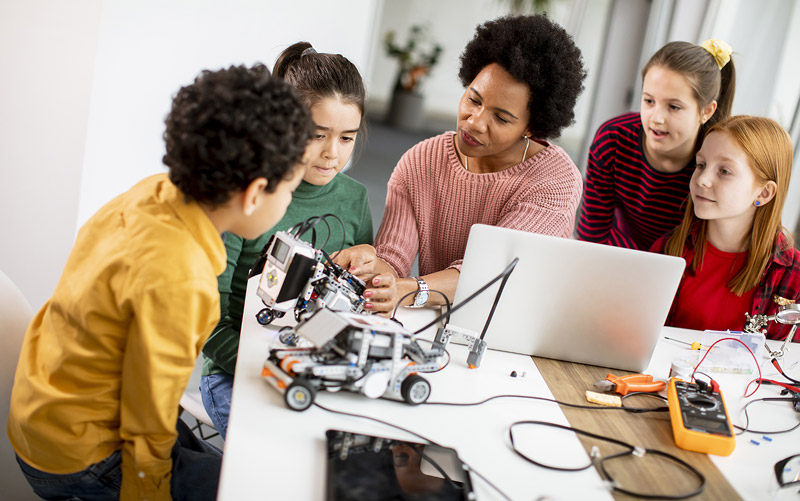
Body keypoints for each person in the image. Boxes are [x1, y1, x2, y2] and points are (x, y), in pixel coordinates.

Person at [7, 64, 313, 500]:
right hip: (84, 458)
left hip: (50, 413)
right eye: (290, 189)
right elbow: (147, 414)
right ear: (253, 193)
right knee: (254, 487)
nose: (289, 201)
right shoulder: (181, 278)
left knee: (226, 464)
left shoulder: (150, 192)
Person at [337, 14, 586, 313]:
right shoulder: (422, 161)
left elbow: (492, 273)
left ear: (532, 128)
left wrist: (412, 289)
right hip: (440, 320)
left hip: (512, 323)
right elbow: (392, 261)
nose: (476, 122)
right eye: (474, 99)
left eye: (501, 118)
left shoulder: (555, 181)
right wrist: (369, 264)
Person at [200, 42, 372, 439]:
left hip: (318, 367)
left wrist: (370, 266)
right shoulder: (246, 200)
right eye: (317, 135)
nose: (332, 153)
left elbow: (354, 307)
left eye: (347, 138)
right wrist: (278, 363)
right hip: (235, 370)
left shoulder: (355, 199)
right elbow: (207, 327)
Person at [576, 39, 736, 250]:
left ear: (706, 111)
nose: (656, 118)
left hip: (681, 267)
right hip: (615, 257)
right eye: (649, 101)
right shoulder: (613, 139)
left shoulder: (718, 164)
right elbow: (591, 235)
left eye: (674, 107)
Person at [651, 116, 800, 340]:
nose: (702, 179)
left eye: (724, 171)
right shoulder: (667, 249)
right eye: (701, 165)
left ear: (764, 193)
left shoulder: (793, 276)